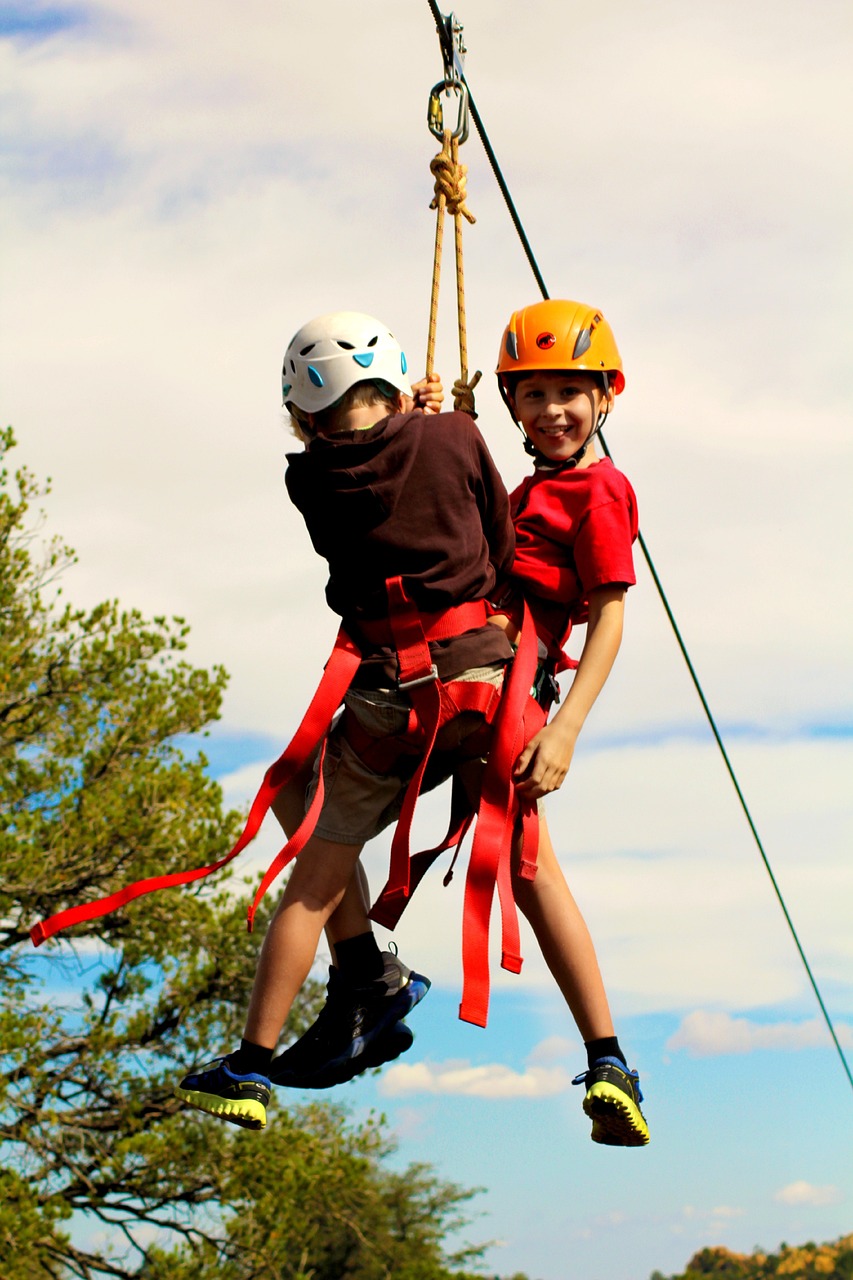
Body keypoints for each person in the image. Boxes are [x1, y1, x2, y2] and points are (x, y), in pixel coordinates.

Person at [280, 299, 650, 1147]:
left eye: (569, 392)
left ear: (606, 397)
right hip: (466, 685)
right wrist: (443, 430)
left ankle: (603, 1059)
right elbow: (470, 527)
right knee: (312, 796)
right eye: (534, 394)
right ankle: (368, 984)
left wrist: (564, 733)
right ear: (512, 404)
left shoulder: (599, 490)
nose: (551, 410)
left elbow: (611, 617)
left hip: (506, 697)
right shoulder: (536, 487)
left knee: (527, 867)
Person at [175, 310, 520, 1130]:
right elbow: (497, 540)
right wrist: (440, 418)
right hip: (483, 682)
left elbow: (379, 460)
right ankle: (367, 973)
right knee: (297, 787)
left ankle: (257, 1060)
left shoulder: (309, 480)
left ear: (302, 415)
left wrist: (422, 417)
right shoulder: (453, 438)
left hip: (394, 697)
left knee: (315, 861)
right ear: (395, 383)